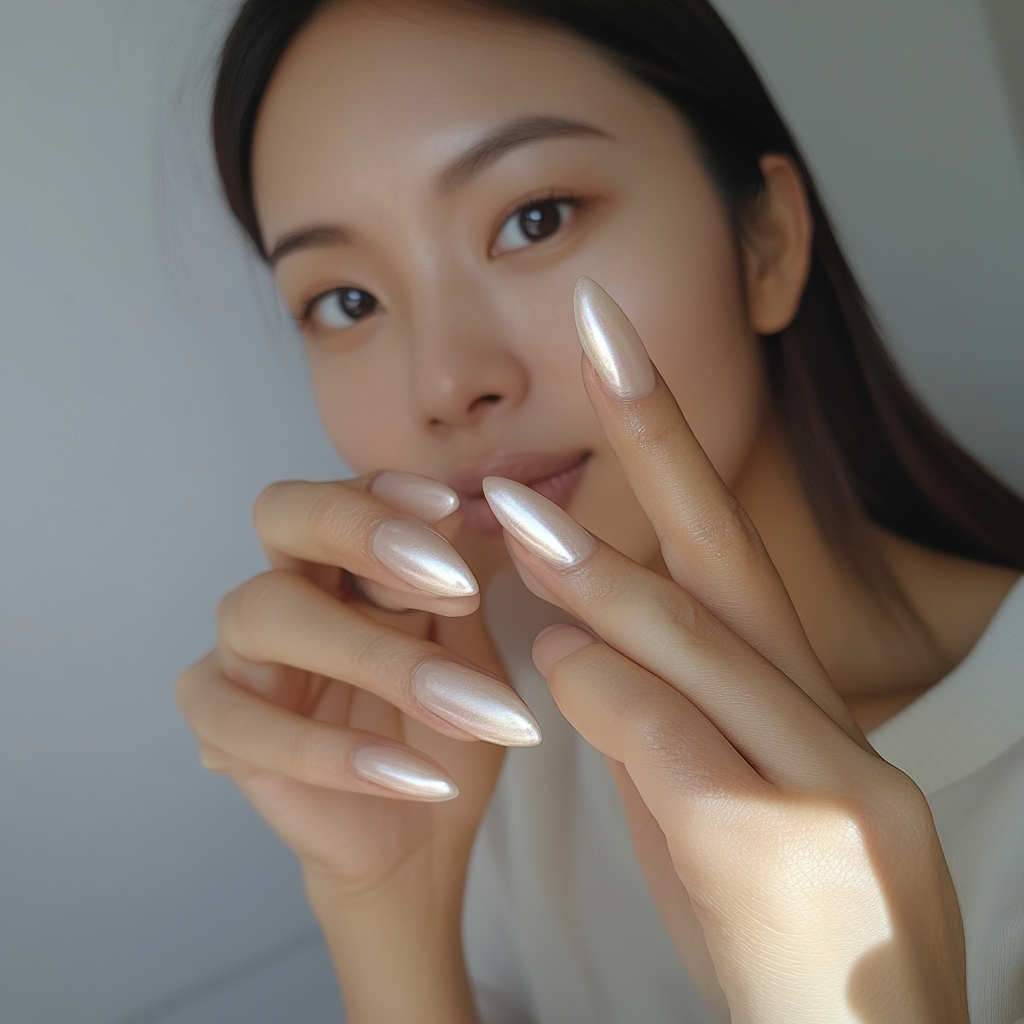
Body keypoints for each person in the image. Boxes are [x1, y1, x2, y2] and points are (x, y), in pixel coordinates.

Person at [176, 0, 1024, 1020]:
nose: (446, 381)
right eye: (345, 301)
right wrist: (386, 907)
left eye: (533, 217)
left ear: (767, 242)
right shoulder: (491, 773)